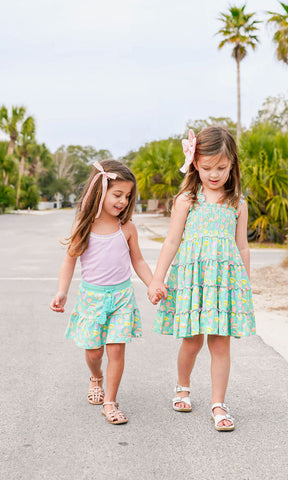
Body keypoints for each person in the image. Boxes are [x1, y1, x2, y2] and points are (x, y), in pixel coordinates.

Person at [148, 126, 256, 431]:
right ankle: (182, 386)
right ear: (195, 163)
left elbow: (242, 248)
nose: (214, 174)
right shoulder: (186, 199)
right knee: (192, 342)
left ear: (232, 164)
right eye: (207, 167)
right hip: (193, 280)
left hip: (223, 284)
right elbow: (171, 242)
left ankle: (218, 404)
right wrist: (157, 279)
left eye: (221, 167)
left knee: (220, 345)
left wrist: (244, 286)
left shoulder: (238, 203)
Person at [50, 159, 158, 425]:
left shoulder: (127, 228)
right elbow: (69, 260)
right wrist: (62, 292)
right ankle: (95, 377)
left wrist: (153, 283)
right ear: (100, 191)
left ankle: (110, 401)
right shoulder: (84, 228)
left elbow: (139, 261)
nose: (122, 201)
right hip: (92, 298)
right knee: (94, 352)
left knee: (116, 350)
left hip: (121, 298)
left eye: (128, 196)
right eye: (117, 194)